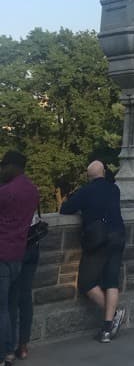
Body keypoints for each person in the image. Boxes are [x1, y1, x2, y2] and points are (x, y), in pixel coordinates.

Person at [60, 161, 126, 343]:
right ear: (104, 172)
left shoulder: (86, 191)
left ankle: (112, 316)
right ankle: (107, 327)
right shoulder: (115, 190)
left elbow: (65, 209)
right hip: (118, 236)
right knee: (111, 280)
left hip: (99, 240)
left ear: (88, 176)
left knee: (86, 282)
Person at [0, 152, 39, 366]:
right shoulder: (32, 191)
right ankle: (17, 346)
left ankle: (5, 353)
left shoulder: (5, 192)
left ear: (13, 167)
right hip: (20, 253)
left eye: (3, 166)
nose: (1, 170)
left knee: (2, 308)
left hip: (3, 253)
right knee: (15, 303)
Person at [9, 213, 41, 360]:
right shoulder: (32, 190)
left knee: (11, 299)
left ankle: (8, 348)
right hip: (31, 244)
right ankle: (23, 346)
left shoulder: (6, 192)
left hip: (14, 247)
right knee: (25, 296)